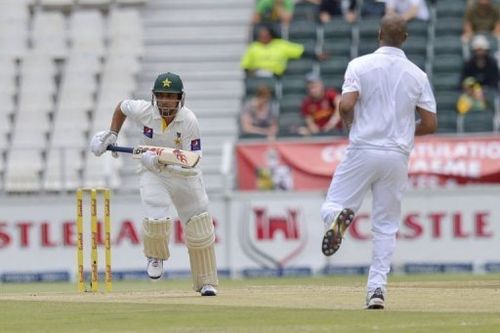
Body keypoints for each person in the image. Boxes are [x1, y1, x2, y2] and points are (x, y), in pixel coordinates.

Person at [320, 14, 437, 310]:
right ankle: (376, 291)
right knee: (385, 227)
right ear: (406, 38)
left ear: (379, 34)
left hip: (363, 147)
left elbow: (346, 103)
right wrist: (408, 130)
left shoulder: (359, 65)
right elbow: (431, 122)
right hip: (397, 155)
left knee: (333, 204)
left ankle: (336, 219)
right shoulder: (417, 74)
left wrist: (348, 121)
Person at [89, 72, 218, 296]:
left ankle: (207, 282)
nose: (166, 101)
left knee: (198, 226)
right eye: (161, 95)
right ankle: (155, 255)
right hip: (152, 172)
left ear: (180, 98)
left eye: (171, 96)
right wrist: (111, 135)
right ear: (154, 97)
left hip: (185, 175)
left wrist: (161, 159)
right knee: (155, 212)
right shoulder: (145, 110)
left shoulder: (189, 120)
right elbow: (122, 107)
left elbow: (193, 158)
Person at [241, 25, 305, 77]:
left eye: (265, 36)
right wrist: (251, 72)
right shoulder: (253, 47)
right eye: (261, 36)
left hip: (275, 76)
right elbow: (245, 66)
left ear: (271, 35)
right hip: (258, 77)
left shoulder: (280, 44)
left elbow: (301, 51)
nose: (263, 38)